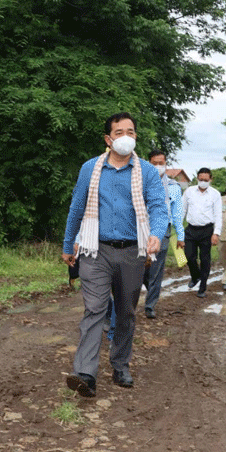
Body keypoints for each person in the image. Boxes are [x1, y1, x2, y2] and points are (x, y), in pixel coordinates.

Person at [61, 112, 168, 397]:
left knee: (125, 312)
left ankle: (120, 365)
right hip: (95, 250)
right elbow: (77, 207)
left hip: (132, 251)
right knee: (94, 308)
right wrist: (68, 244)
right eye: (119, 132)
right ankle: (86, 373)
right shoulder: (90, 168)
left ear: (136, 137)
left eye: (130, 132)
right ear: (108, 139)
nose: (126, 137)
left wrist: (156, 233)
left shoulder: (146, 171)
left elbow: (158, 207)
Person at [142, 149, 185, 318]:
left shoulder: (174, 187)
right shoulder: (139, 182)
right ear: (149, 164)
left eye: (161, 163)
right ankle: (148, 289)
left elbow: (177, 214)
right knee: (140, 267)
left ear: (166, 164)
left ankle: (150, 305)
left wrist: (180, 236)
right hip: (141, 229)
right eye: (155, 163)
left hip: (163, 230)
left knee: (156, 269)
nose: (158, 166)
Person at [181, 167, 222, 298]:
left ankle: (202, 287)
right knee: (189, 256)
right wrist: (179, 229)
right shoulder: (189, 191)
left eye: (205, 180)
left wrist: (216, 233)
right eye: (201, 179)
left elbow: (218, 215)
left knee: (205, 259)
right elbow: (182, 210)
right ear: (197, 178)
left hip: (207, 230)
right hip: (191, 229)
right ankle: (195, 276)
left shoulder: (215, 194)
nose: (203, 182)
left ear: (210, 179)